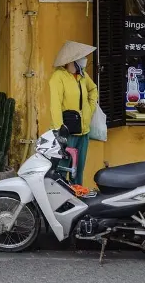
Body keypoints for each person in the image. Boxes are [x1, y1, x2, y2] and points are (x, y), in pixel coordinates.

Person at [49, 40, 98, 186]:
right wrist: (59, 130)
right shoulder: (58, 77)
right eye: (80, 58)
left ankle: (78, 197)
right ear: (72, 60)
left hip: (84, 132)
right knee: (63, 168)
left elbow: (93, 89)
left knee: (79, 169)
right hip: (67, 132)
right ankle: (62, 201)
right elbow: (55, 104)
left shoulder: (82, 75)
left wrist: (90, 108)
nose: (84, 60)